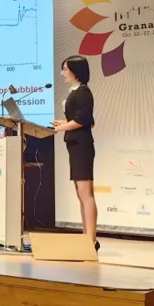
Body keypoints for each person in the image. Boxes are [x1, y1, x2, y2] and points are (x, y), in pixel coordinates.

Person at [51, 55, 99, 251]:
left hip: (82, 146)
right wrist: (63, 123)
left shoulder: (83, 91)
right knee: (81, 194)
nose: (63, 73)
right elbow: (82, 120)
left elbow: (85, 120)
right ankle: (85, 237)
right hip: (75, 145)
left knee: (86, 194)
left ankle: (92, 240)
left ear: (76, 71)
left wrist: (60, 128)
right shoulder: (76, 92)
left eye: (65, 69)